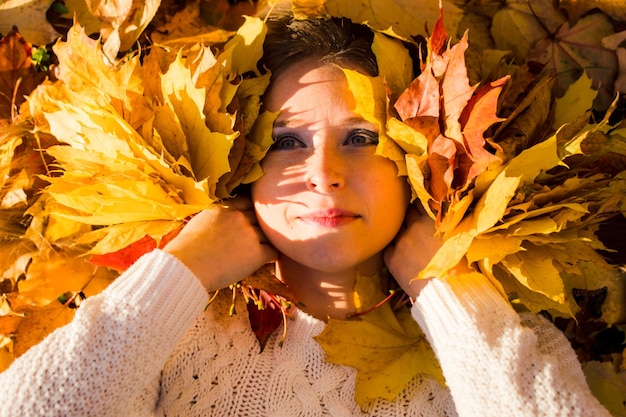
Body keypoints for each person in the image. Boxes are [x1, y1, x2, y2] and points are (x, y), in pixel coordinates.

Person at [0, 12, 612, 417]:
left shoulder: (494, 341)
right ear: (236, 165)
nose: (323, 172)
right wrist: (184, 270)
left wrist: (445, 286)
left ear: (429, 158)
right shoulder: (172, 339)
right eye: (285, 142)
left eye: (364, 137)